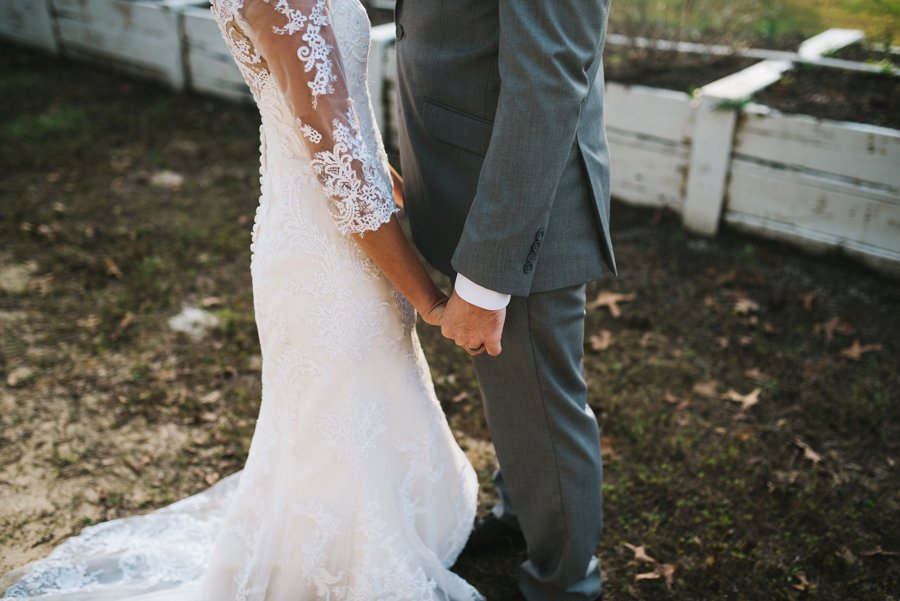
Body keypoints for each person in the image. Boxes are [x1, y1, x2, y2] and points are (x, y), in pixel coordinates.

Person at [1, 1, 483, 599]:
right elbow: (336, 159)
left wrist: (408, 193)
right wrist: (432, 301)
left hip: (333, 232)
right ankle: (343, 563)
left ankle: (372, 533)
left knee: (360, 400)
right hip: (327, 254)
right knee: (342, 404)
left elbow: (339, 128)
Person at [394, 0, 618, 599]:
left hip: (525, 212)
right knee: (520, 399)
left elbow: (549, 77)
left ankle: (566, 583)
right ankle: (523, 514)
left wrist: (487, 279)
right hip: (472, 174)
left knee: (544, 409)